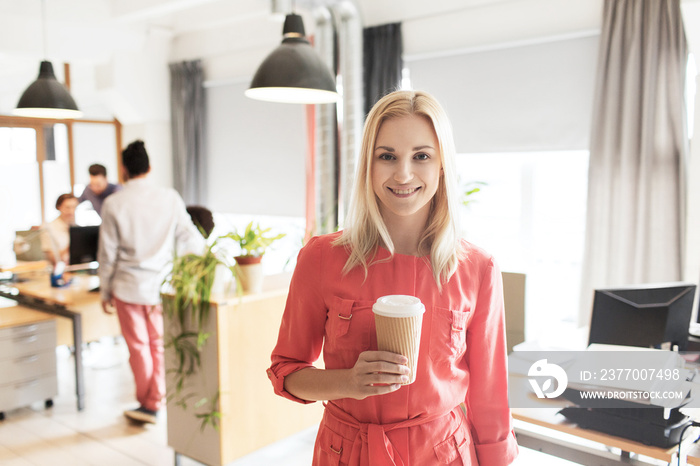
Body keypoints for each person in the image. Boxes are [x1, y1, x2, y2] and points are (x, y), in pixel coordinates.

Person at [268, 90, 518, 465]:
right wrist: (348, 382)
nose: (403, 174)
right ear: (368, 165)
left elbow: (490, 395)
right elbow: (286, 372)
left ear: (442, 166)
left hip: (443, 453)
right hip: (346, 453)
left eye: (421, 156)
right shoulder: (321, 258)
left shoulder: (477, 269)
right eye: (387, 156)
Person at [98, 140, 204, 425]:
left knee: (138, 348)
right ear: (149, 167)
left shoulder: (114, 203)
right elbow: (190, 236)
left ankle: (149, 405)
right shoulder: (169, 197)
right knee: (158, 345)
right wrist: (204, 265)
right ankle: (156, 399)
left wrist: (104, 289)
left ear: (123, 169)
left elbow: (107, 253)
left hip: (127, 287)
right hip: (162, 286)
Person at [40, 193, 78, 266]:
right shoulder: (48, 228)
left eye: (74, 207)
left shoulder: (77, 227)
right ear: (59, 207)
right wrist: (73, 244)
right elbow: (53, 258)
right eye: (67, 207)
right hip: (58, 271)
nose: (71, 211)